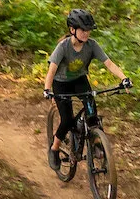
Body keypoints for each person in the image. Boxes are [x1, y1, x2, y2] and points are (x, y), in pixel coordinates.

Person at [48, 9, 127, 160]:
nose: (86, 33)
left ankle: (96, 142)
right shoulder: (63, 47)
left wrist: (124, 78)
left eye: (88, 30)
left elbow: (109, 63)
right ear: (72, 30)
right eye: (83, 30)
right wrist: (47, 89)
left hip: (79, 81)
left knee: (92, 114)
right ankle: (54, 148)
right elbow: (52, 70)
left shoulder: (91, 45)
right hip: (61, 84)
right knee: (67, 120)